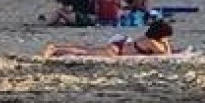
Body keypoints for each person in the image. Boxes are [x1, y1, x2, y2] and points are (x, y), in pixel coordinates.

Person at [42, 19, 175, 58]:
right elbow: (166, 54)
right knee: (84, 52)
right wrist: (166, 43)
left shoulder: (148, 38)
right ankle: (55, 49)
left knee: (86, 49)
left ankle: (58, 48)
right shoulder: (152, 42)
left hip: (119, 46)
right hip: (117, 51)